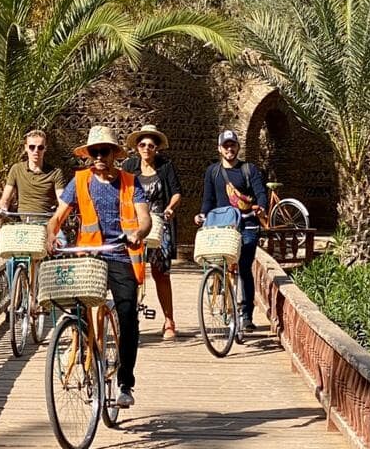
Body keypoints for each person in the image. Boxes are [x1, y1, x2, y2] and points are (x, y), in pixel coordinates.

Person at [46, 125, 151, 408]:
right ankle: (87, 357)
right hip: (89, 257)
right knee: (77, 309)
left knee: (128, 316)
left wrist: (138, 234)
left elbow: (145, 220)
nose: (99, 156)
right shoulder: (79, 182)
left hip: (120, 255)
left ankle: (125, 382)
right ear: (89, 155)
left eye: (104, 151)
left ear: (115, 154)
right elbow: (57, 217)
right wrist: (52, 236)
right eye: (94, 152)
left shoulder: (130, 182)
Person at [196, 129, 268, 331]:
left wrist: (261, 206)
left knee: (244, 267)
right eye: (226, 145)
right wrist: (202, 214)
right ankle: (225, 298)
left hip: (247, 224)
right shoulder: (213, 171)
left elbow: (260, 193)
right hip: (223, 226)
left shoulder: (249, 169)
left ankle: (246, 315)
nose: (230, 149)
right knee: (221, 265)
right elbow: (208, 199)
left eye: (233, 145)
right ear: (220, 149)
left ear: (238, 147)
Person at [121, 124, 182, 339]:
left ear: (157, 148)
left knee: (160, 273)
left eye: (151, 145)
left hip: (159, 223)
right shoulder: (129, 166)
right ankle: (129, 320)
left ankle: (169, 321)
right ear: (137, 147)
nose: (146, 148)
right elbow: (120, 191)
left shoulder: (165, 166)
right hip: (134, 224)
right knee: (130, 272)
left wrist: (170, 208)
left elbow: (176, 193)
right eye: (142, 144)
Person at [0, 129, 67, 215]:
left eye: (40, 147)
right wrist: (2, 207)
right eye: (32, 147)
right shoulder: (16, 169)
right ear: (26, 148)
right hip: (22, 222)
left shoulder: (55, 173)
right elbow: (6, 198)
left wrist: (59, 216)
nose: (36, 151)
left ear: (45, 148)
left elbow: (62, 201)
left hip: (45, 222)